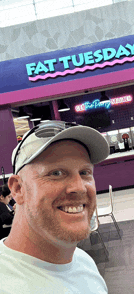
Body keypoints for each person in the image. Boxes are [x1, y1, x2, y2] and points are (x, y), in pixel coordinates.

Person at [0, 120, 109, 293]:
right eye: (56, 173)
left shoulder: (83, 261)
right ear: (18, 189)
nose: (79, 187)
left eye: (84, 173)